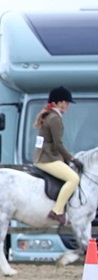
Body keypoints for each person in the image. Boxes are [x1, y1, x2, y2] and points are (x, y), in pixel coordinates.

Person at [33, 86, 81, 225]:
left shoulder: (48, 115)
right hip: (47, 158)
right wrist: (71, 158)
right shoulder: (54, 118)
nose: (67, 106)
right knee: (73, 178)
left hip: (42, 156)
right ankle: (57, 211)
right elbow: (58, 145)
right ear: (57, 102)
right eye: (66, 102)